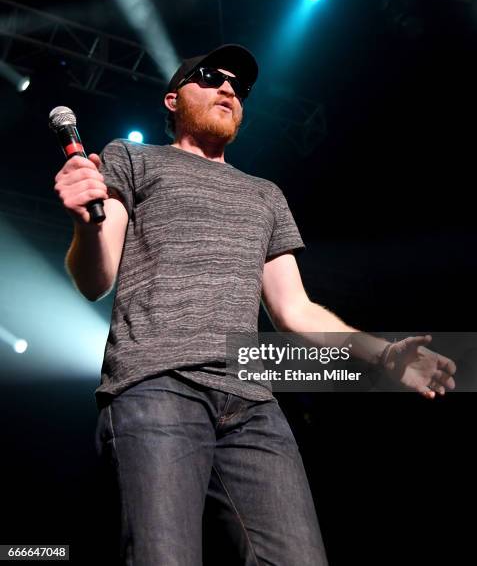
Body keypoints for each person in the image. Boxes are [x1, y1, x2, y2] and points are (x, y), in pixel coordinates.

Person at [53, 44, 456, 565]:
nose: (228, 89)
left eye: (238, 87)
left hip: (252, 405)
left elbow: (296, 311)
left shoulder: (265, 194)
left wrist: (382, 356)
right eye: (211, 77)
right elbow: (96, 278)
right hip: (158, 386)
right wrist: (85, 227)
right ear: (173, 100)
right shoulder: (132, 158)